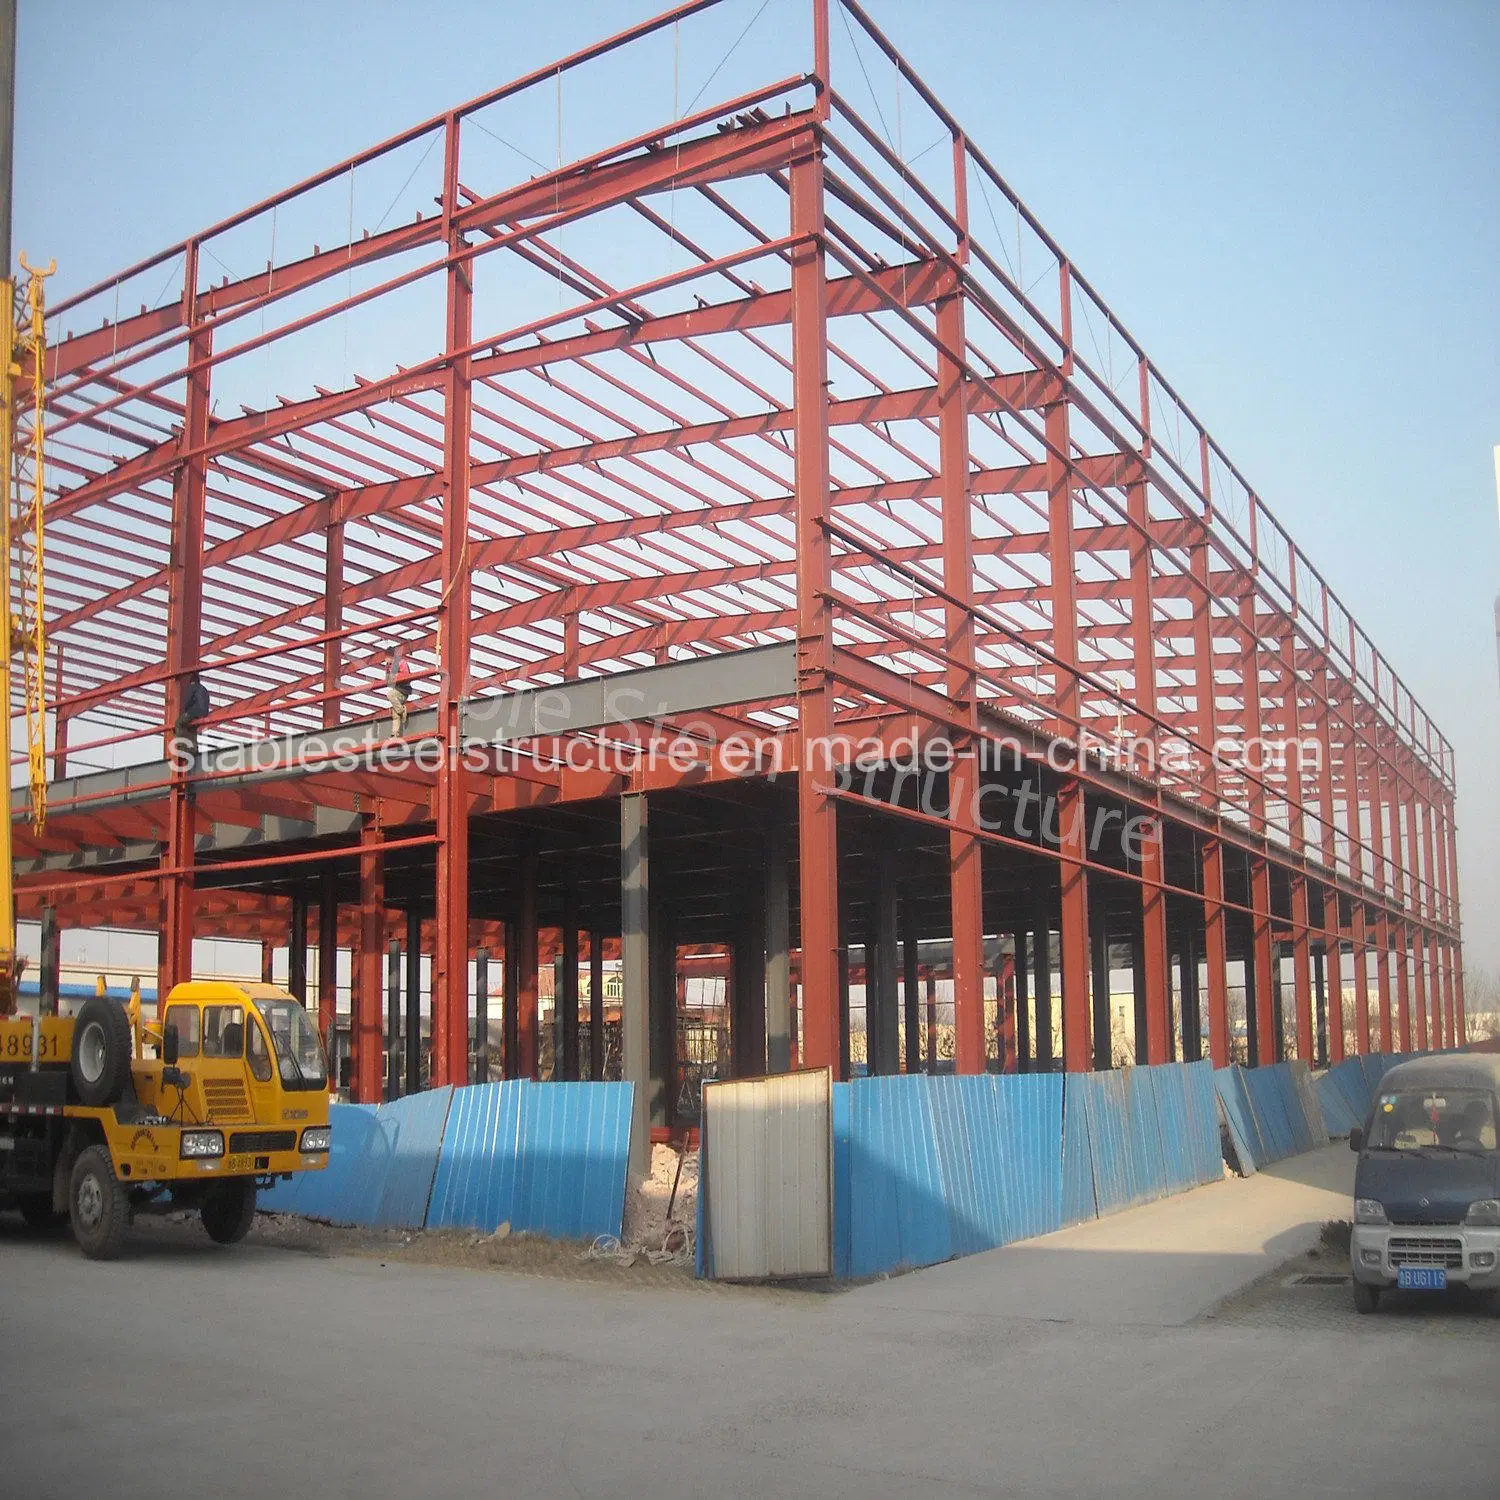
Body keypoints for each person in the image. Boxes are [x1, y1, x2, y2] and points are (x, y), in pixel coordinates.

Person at [174, 672, 210, 767]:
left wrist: (186, 711)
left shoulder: (193, 687)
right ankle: (194, 749)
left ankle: (182, 747)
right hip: (203, 714)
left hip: (194, 712)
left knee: (179, 723)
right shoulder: (204, 689)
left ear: (192, 682)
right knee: (192, 729)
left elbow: (188, 701)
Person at [386, 645, 410, 736]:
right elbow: (388, 681)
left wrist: (393, 677)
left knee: (390, 695)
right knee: (395, 713)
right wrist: (388, 668)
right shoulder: (390, 666)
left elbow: (405, 676)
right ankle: (395, 734)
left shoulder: (401, 662)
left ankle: (402, 710)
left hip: (403, 690)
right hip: (398, 690)